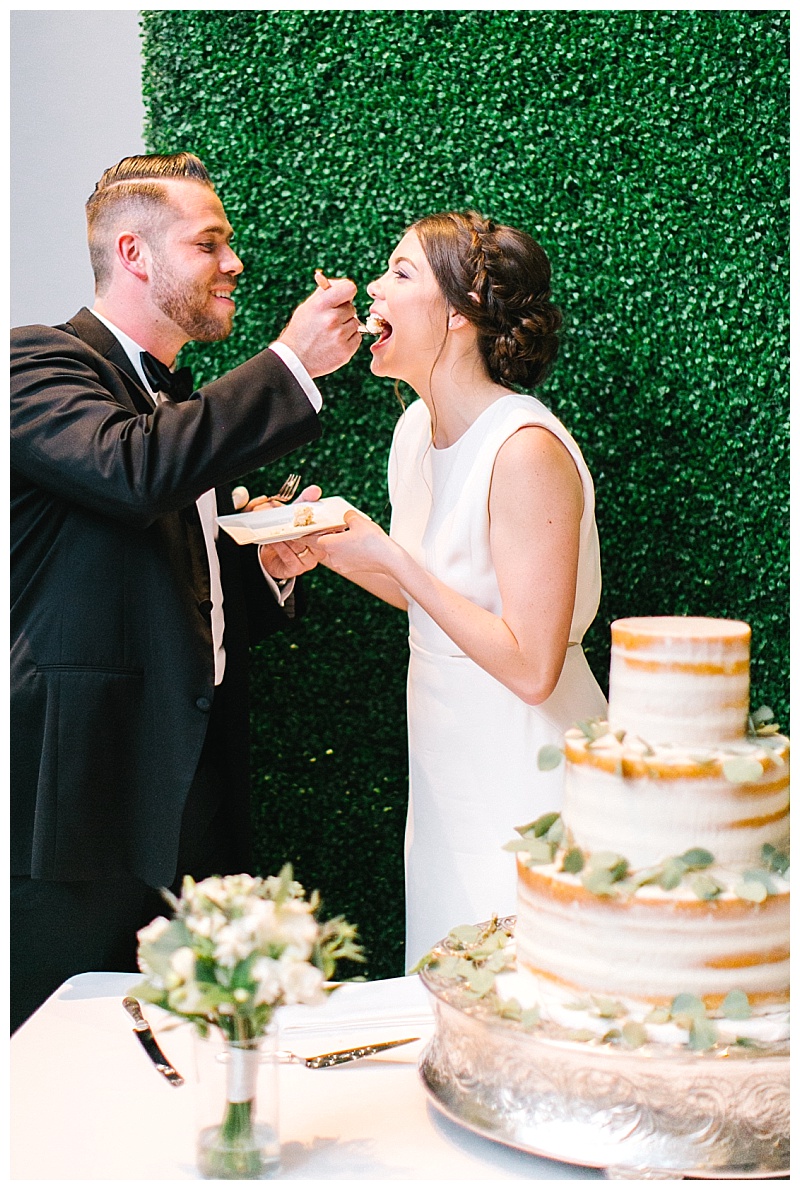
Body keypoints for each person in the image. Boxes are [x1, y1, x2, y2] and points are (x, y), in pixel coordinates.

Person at [9, 152, 359, 1031]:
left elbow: (168, 580)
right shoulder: (33, 364)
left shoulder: (177, 401)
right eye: (211, 243)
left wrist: (265, 570)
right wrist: (290, 363)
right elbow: (134, 473)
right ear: (134, 253)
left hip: (195, 779)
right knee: (72, 1036)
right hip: (84, 792)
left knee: (194, 1034)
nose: (234, 261)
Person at [313, 211, 608, 966]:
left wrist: (396, 560)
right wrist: (324, 550)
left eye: (400, 272)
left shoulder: (524, 449)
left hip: (528, 765)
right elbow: (445, 612)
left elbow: (532, 669)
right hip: (448, 773)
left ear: (460, 310)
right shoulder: (414, 430)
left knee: (529, 997)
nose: (374, 286)